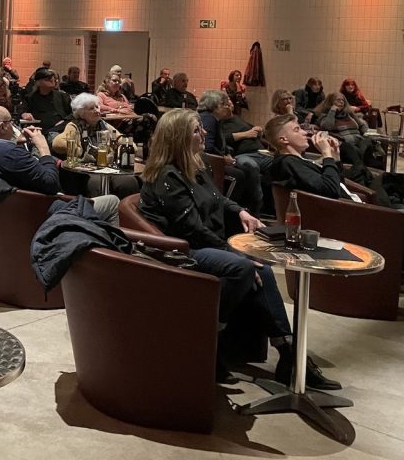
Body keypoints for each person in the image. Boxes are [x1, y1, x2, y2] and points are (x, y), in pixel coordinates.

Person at [139, 109, 340, 389]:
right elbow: (192, 229)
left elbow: (217, 198)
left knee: (263, 269)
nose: (205, 133)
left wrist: (240, 211)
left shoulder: (196, 165)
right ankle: (210, 342)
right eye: (197, 130)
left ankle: (288, 352)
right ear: (179, 137)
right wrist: (232, 252)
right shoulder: (166, 176)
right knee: (242, 266)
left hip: (204, 242)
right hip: (181, 250)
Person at [0, 105, 120, 224]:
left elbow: (4, 158)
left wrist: (19, 142)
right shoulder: (13, 155)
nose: (13, 126)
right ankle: (106, 249)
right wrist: (43, 148)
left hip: (12, 209)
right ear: (2, 127)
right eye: (11, 122)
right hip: (44, 211)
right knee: (112, 201)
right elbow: (51, 184)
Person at [51, 93, 139, 199]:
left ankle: (124, 208)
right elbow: (57, 144)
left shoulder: (104, 125)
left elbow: (122, 139)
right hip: (85, 170)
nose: (97, 110)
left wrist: (127, 146)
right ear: (81, 113)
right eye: (91, 108)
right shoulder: (74, 126)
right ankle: (99, 208)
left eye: (97, 106)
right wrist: (80, 151)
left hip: (107, 166)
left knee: (129, 181)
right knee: (97, 183)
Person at [197, 90, 264, 214]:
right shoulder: (208, 119)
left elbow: (219, 144)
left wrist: (226, 154)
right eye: (223, 104)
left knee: (246, 170)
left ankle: (248, 210)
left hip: (218, 159)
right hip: (208, 163)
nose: (227, 107)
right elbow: (207, 147)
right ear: (214, 106)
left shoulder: (215, 119)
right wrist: (223, 158)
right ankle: (230, 212)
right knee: (240, 175)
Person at [265, 114, 352, 200]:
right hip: (346, 207)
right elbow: (331, 189)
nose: (305, 132)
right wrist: (326, 153)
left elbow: (339, 184)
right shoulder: (288, 162)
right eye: (297, 130)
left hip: (350, 202)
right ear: (284, 139)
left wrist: (335, 157)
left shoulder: (298, 160)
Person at [316, 91, 374, 162]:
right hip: (344, 143)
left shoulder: (348, 114)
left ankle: (361, 161)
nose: (341, 102)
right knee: (352, 149)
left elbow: (362, 124)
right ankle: (361, 161)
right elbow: (328, 126)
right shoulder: (324, 115)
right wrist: (332, 110)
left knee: (367, 142)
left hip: (358, 140)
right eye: (338, 100)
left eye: (342, 100)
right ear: (331, 102)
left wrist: (366, 132)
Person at [22, 67, 72, 145]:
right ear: (38, 82)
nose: (52, 80)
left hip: (60, 131)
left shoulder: (63, 96)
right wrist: (24, 114)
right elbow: (22, 111)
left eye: (53, 78)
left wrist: (64, 121)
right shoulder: (30, 98)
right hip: (39, 131)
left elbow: (72, 114)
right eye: (48, 79)